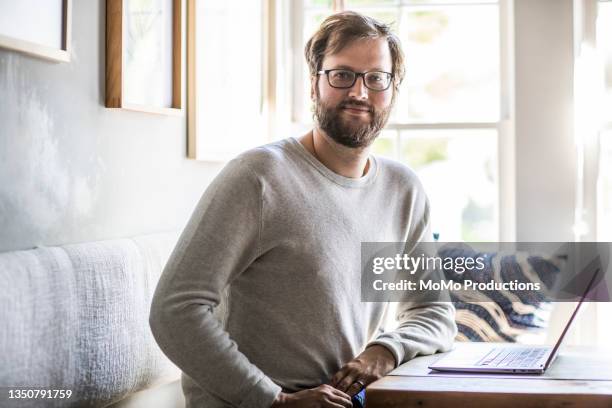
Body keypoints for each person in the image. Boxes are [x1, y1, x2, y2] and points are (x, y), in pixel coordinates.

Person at [149, 11, 457, 408]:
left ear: (392, 90)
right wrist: (274, 401)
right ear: (314, 85)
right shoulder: (258, 177)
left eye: (376, 78)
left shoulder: (403, 189)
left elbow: (434, 312)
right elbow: (175, 310)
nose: (360, 93)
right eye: (342, 75)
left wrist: (383, 352)